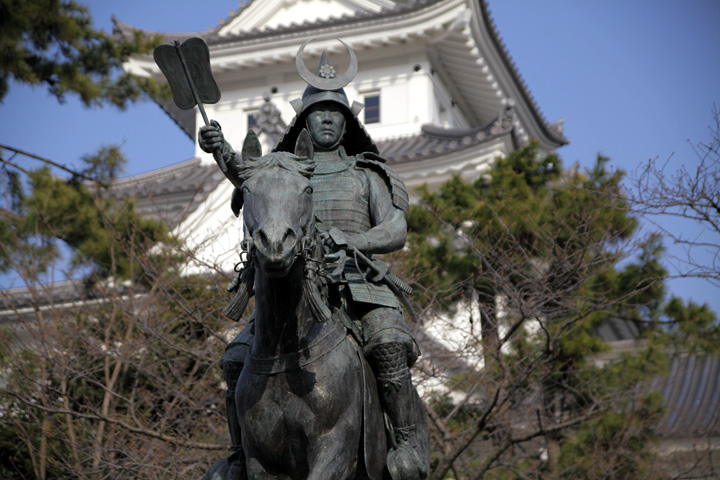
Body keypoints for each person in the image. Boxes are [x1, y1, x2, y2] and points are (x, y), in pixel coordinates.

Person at [199, 45, 426, 480]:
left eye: (335, 112)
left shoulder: (366, 174)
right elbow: (248, 177)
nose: (326, 119)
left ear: (348, 122)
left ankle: (406, 444)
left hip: (359, 287)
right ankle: (236, 456)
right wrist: (219, 147)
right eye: (317, 112)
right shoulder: (283, 170)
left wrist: (354, 238)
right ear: (303, 120)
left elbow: (396, 229)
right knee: (234, 359)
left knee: (389, 344)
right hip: (299, 290)